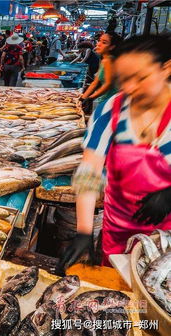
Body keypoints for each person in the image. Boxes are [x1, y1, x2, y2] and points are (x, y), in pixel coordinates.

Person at [56, 34, 171, 274]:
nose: (129, 87)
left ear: (166, 68)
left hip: (167, 236)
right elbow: (89, 171)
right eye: (124, 79)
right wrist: (84, 232)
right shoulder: (113, 109)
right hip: (117, 228)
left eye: (140, 78)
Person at [80, 32, 122, 114]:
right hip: (106, 100)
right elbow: (95, 83)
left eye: (104, 42)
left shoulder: (109, 60)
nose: (98, 44)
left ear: (112, 47)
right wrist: (82, 98)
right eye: (99, 40)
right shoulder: (104, 60)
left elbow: (108, 84)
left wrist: (91, 98)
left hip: (112, 102)